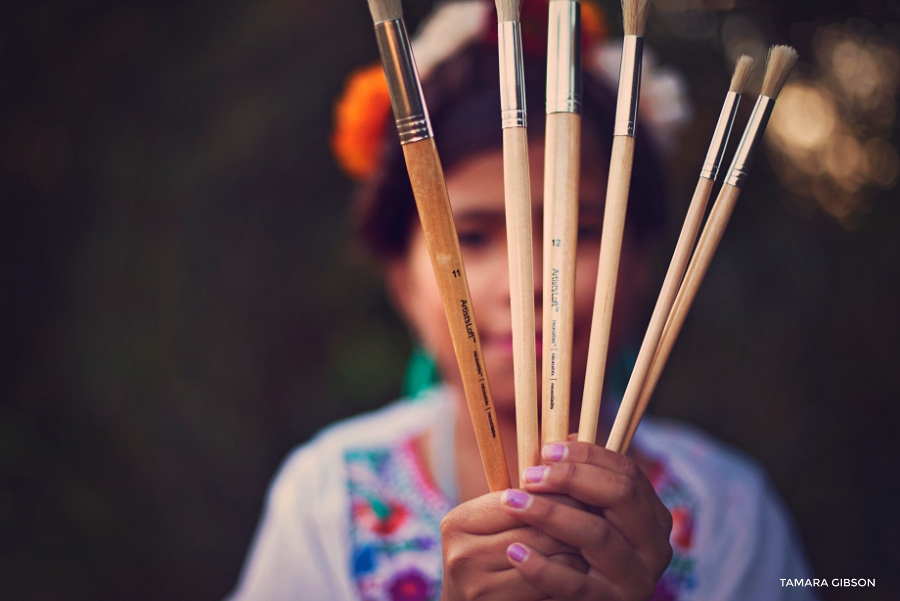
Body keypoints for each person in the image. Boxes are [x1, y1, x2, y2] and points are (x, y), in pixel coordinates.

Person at [227, 2, 817, 599]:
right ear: (401, 282)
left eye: (581, 232)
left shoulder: (728, 510)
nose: (530, 282)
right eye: (473, 238)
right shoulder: (327, 499)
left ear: (640, 268)